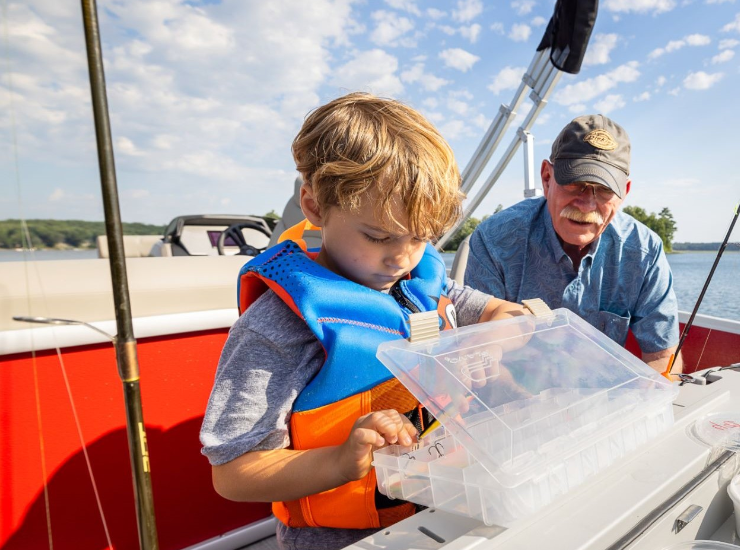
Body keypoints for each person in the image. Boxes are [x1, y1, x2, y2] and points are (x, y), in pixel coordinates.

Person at [199, 92, 527, 549]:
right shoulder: (278, 329)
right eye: (378, 236)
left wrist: (490, 343)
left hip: (449, 511)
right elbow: (233, 472)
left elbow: (503, 312)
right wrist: (340, 461)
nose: (401, 257)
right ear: (314, 206)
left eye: (421, 237)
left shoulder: (421, 280)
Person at [465, 114, 684, 375]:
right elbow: (478, 353)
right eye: (575, 184)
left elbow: (663, 357)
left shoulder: (645, 251)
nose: (587, 205)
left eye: (604, 190)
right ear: (547, 178)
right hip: (514, 401)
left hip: (608, 403)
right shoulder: (494, 240)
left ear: (624, 192)